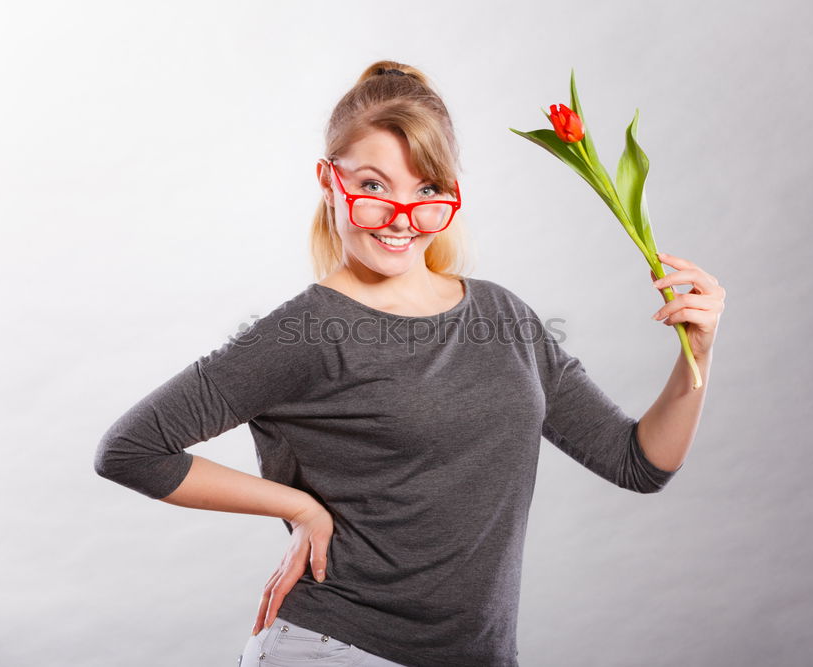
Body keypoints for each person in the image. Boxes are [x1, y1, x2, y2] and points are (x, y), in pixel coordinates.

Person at [94, 60, 725, 667]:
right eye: (372, 186)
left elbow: (638, 462)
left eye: (426, 190)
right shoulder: (307, 331)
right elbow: (130, 450)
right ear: (327, 180)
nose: (401, 218)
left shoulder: (504, 316)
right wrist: (299, 506)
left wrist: (696, 352)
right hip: (337, 648)